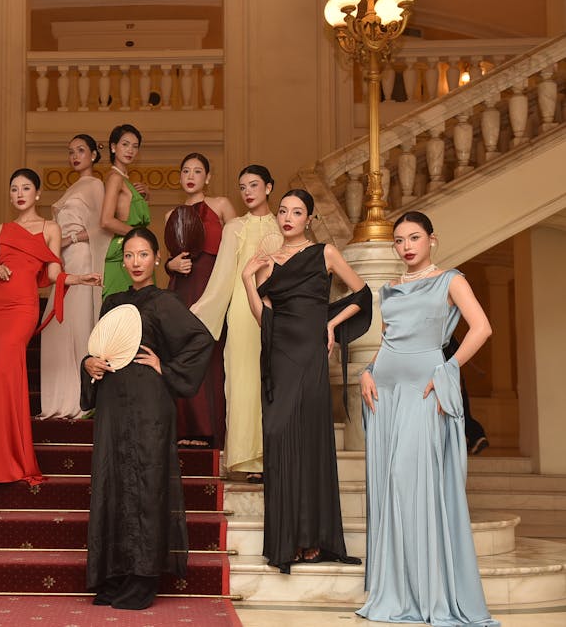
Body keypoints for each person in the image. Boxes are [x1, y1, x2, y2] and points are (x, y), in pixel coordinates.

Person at [357, 211, 497, 626]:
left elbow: (482, 328)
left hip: (424, 390)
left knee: (410, 481)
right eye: (399, 241)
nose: (406, 246)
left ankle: (430, 594)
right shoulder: (391, 288)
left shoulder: (450, 280)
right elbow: (388, 340)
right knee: (391, 490)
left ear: (432, 240)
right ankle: (398, 593)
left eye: (414, 238)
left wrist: (447, 369)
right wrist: (367, 369)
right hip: (385, 392)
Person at [83, 227, 214, 610]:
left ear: (156, 258)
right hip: (112, 404)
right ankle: (116, 574)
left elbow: (200, 340)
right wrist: (88, 364)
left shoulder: (166, 301)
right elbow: (98, 348)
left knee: (145, 484)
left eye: (143, 255)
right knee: (114, 482)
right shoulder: (112, 302)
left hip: (150, 406)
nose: (135, 262)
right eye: (129, 256)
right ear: (122, 261)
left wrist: (166, 367)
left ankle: (143, 578)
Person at [241, 189, 370, 574]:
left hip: (311, 349)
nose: (288, 217)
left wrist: (329, 323)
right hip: (279, 352)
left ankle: (312, 538)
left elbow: (361, 293)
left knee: (310, 439)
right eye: (283, 211)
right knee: (279, 435)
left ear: (308, 219)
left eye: (297, 212)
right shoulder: (266, 263)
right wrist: (249, 278)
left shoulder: (325, 253)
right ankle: (286, 539)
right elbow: (262, 319)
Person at [0, 168, 101, 485]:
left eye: (26, 188)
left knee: (3, 370)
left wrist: (78, 278)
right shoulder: (2, 230)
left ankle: (10, 458)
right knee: (0, 371)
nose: (19, 193)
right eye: (14, 188)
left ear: (37, 194)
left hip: (23, 308)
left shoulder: (50, 228)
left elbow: (54, 272)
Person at [190, 165, 282, 481]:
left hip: (279, 311)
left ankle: (275, 454)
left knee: (273, 382)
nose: (247, 192)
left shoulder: (283, 225)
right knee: (242, 381)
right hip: (243, 310)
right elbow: (222, 277)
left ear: (269, 187)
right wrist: (197, 314)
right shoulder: (234, 228)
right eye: (242, 187)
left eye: (254, 185)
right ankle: (247, 459)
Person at [164, 153, 236, 448]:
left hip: (215, 284)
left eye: (197, 171)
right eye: (185, 171)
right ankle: (187, 429)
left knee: (213, 353)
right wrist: (171, 266)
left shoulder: (221, 205)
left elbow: (238, 246)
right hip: (183, 286)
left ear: (208, 177)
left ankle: (213, 430)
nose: (190, 175)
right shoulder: (170, 215)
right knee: (184, 353)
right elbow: (168, 259)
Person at [39, 134, 109, 419]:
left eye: (81, 150)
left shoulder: (95, 185)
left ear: (93, 154)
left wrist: (69, 239)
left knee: (78, 323)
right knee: (58, 325)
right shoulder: (74, 187)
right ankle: (58, 400)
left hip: (80, 256)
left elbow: (103, 227)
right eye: (71, 152)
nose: (75, 156)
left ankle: (80, 400)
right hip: (63, 259)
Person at [100, 124, 151, 298]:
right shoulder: (115, 178)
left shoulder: (125, 179)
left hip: (132, 248)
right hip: (122, 251)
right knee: (122, 310)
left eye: (135, 146)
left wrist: (143, 196)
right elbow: (106, 220)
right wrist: (138, 235)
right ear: (113, 147)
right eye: (125, 144)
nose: (130, 150)